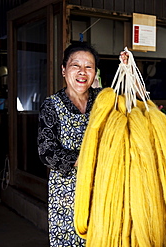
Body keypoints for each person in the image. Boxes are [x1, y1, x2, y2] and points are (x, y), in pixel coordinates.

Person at [37, 43, 129, 246]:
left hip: (102, 187)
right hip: (67, 193)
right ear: (63, 70)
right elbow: (47, 151)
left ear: (95, 72)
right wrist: (88, 159)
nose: (82, 72)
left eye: (89, 67)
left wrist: (128, 69)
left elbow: (131, 105)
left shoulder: (103, 99)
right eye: (75, 65)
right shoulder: (52, 105)